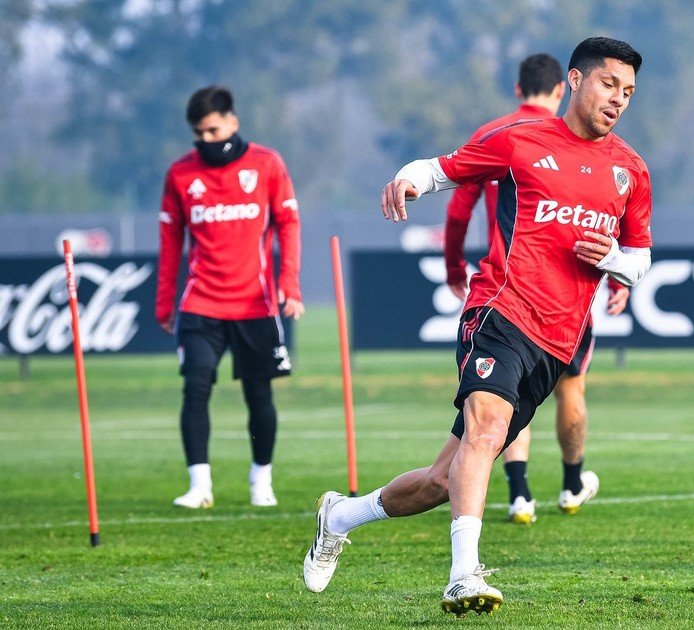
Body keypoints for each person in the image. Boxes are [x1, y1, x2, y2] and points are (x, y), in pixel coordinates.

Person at [303, 37, 652, 616]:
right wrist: (409, 180)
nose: (619, 99)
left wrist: (612, 258)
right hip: (499, 310)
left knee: (444, 480)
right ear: (575, 80)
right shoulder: (521, 140)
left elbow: (639, 258)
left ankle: (340, 515)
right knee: (489, 426)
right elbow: (444, 169)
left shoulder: (631, 170)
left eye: (629, 92)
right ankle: (464, 575)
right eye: (609, 84)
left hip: (556, 340)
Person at [443, 53, 631, 525]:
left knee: (500, 398)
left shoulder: (496, 132)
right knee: (569, 388)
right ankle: (571, 483)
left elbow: (459, 206)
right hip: (549, 296)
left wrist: (452, 265)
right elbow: (592, 226)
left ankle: (520, 493)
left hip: (506, 284)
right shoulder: (560, 142)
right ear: (560, 88)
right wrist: (616, 272)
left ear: (516, 88)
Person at [155, 86, 304, 509]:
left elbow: (289, 225)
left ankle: (261, 482)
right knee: (195, 388)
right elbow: (170, 241)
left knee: (258, 394)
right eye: (198, 133)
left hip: (254, 304)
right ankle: (199, 487)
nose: (206, 139)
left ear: (232, 122)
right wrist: (164, 302)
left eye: (213, 130)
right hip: (200, 304)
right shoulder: (180, 174)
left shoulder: (267, 163)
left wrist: (289, 283)